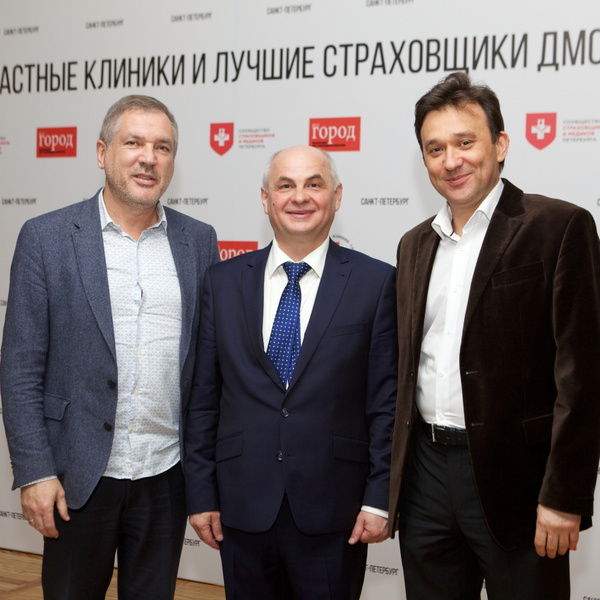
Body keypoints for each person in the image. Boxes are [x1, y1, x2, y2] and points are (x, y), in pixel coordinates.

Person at [388, 71, 600, 600]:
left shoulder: (559, 227)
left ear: (500, 145)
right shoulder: (413, 245)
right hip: (425, 480)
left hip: (519, 484)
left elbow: (583, 376)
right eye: (435, 148)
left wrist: (564, 495)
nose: (451, 161)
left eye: (465, 142)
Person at [1, 94, 219, 599]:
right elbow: (19, 369)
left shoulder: (198, 241)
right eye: (134, 143)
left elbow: (208, 367)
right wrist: (35, 471)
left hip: (165, 474)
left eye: (162, 147)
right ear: (102, 153)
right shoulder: (46, 237)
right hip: (76, 477)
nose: (149, 158)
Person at [184, 145, 397, 600]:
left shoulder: (376, 283)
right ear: (266, 199)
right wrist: (200, 495)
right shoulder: (222, 282)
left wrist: (379, 498)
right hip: (241, 507)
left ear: (337, 197)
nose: (300, 197)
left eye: (314, 184)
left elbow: (386, 405)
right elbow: (204, 399)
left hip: (335, 511)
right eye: (286, 185)